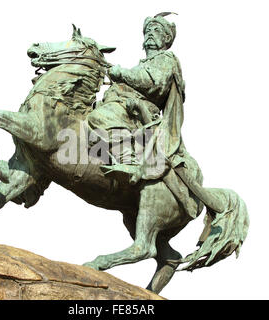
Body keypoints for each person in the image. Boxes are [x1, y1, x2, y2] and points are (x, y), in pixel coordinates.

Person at [88, 13, 225, 214]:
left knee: (99, 118)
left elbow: (154, 83)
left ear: (166, 39)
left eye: (157, 31)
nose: (151, 34)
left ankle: (129, 160)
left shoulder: (166, 59)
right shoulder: (143, 63)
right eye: (148, 31)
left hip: (138, 111)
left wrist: (121, 73)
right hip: (123, 105)